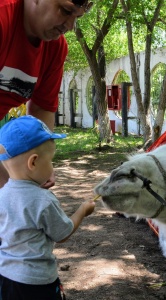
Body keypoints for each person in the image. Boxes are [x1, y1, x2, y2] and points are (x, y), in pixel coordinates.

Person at [0, 116, 96, 300]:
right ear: (33, 162)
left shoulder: (2, 195)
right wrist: (83, 210)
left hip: (6, 276)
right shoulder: (43, 200)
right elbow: (63, 233)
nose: (52, 167)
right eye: (51, 161)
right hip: (38, 282)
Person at [0, 0, 93, 188]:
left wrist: (41, 162)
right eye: (66, 11)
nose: (70, 26)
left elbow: (42, 109)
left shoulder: (55, 48)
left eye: (77, 17)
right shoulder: (3, 19)